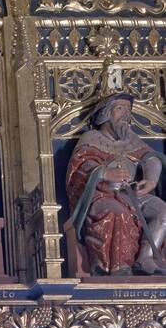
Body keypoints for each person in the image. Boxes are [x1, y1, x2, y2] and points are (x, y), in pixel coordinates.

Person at [67, 92, 166, 275]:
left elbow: (151, 158)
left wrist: (151, 180)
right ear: (106, 113)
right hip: (104, 194)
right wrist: (105, 173)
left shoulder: (132, 139)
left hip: (133, 193)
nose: (126, 114)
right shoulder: (91, 138)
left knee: (163, 211)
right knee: (117, 212)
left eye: (128, 109)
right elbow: (80, 167)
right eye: (120, 109)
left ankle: (145, 258)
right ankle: (119, 268)